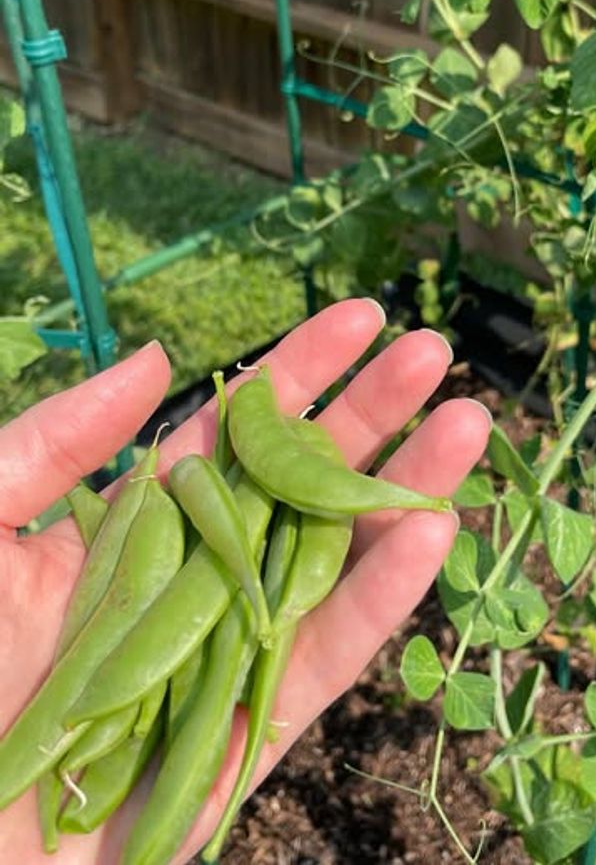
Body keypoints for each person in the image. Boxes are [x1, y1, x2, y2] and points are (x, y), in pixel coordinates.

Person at [0, 297, 491, 863]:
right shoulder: (163, 507)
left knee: (200, 669)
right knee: (140, 680)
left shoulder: (188, 496)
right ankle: (63, 790)